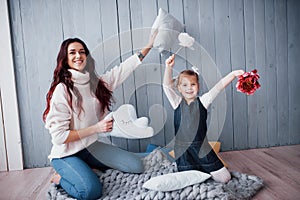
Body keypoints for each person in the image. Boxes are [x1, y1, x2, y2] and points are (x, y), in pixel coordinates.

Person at [43, 33, 156, 200]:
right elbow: (60, 137)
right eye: (72, 52)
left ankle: (86, 166)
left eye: (82, 52)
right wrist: (96, 128)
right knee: (90, 192)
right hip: (66, 154)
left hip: (89, 148)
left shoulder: (96, 83)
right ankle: (59, 178)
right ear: (65, 59)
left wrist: (149, 45)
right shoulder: (63, 90)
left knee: (136, 166)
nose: (78, 56)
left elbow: (123, 69)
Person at [163, 54, 244, 183]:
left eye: (193, 84)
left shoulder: (203, 101)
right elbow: (166, 86)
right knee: (188, 181)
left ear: (198, 86)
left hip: (202, 148)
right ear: (179, 88)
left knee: (225, 178)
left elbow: (219, 87)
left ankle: (203, 171)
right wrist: (169, 67)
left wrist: (233, 74)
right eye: (184, 85)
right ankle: (197, 173)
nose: (189, 88)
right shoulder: (177, 102)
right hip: (183, 151)